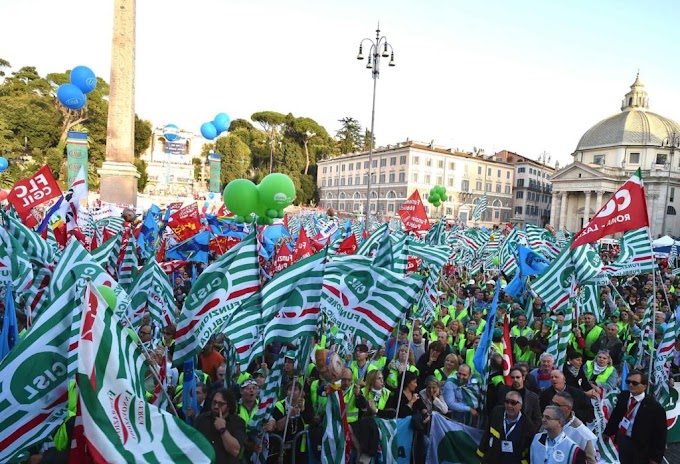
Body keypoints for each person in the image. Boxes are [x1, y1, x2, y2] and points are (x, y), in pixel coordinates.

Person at [604, 370, 667, 464]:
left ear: (644, 386)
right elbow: (616, 415)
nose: (630, 385)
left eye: (635, 383)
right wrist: (608, 432)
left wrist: (655, 458)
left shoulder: (655, 408)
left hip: (641, 447)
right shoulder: (624, 396)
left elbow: (660, 435)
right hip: (623, 439)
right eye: (628, 382)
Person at [477, 391, 535, 464]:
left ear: (520, 406)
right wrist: (481, 457)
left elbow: (529, 450)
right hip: (493, 459)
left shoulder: (527, 424)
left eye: (513, 403)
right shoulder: (496, 413)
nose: (509, 405)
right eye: (507, 402)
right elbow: (486, 435)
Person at [193, 388, 247, 464]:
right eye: (214, 402)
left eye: (220, 404)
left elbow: (235, 451)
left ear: (228, 406)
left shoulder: (238, 422)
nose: (216, 406)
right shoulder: (201, 419)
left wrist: (223, 429)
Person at [551, 391, 597, 464]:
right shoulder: (546, 420)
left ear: (568, 408)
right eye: (552, 403)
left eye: (557, 405)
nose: (552, 408)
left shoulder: (582, 433)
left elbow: (590, 461)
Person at [496, 367, 542, 431]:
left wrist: (531, 432)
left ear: (523, 378)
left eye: (518, 377)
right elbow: (498, 410)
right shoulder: (503, 392)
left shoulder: (532, 397)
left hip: (524, 431)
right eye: (513, 377)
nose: (515, 380)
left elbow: (537, 418)